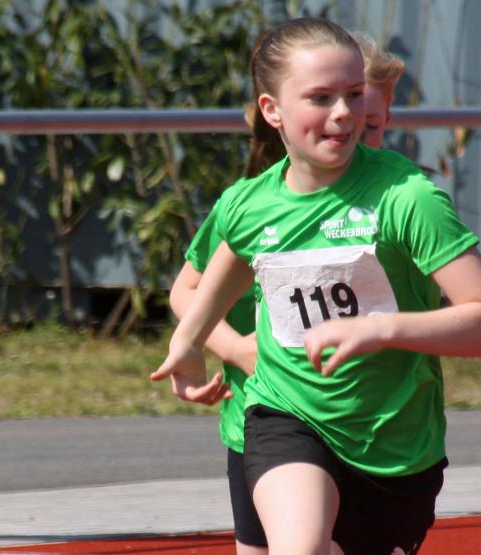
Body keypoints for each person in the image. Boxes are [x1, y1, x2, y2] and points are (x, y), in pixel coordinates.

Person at [153, 16, 481, 555]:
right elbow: (221, 273)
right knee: (300, 546)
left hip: (392, 445)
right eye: (321, 97)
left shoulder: (407, 198)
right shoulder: (248, 205)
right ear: (272, 110)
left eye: (353, 94)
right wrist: (190, 342)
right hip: (285, 415)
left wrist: (380, 330)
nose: (344, 113)